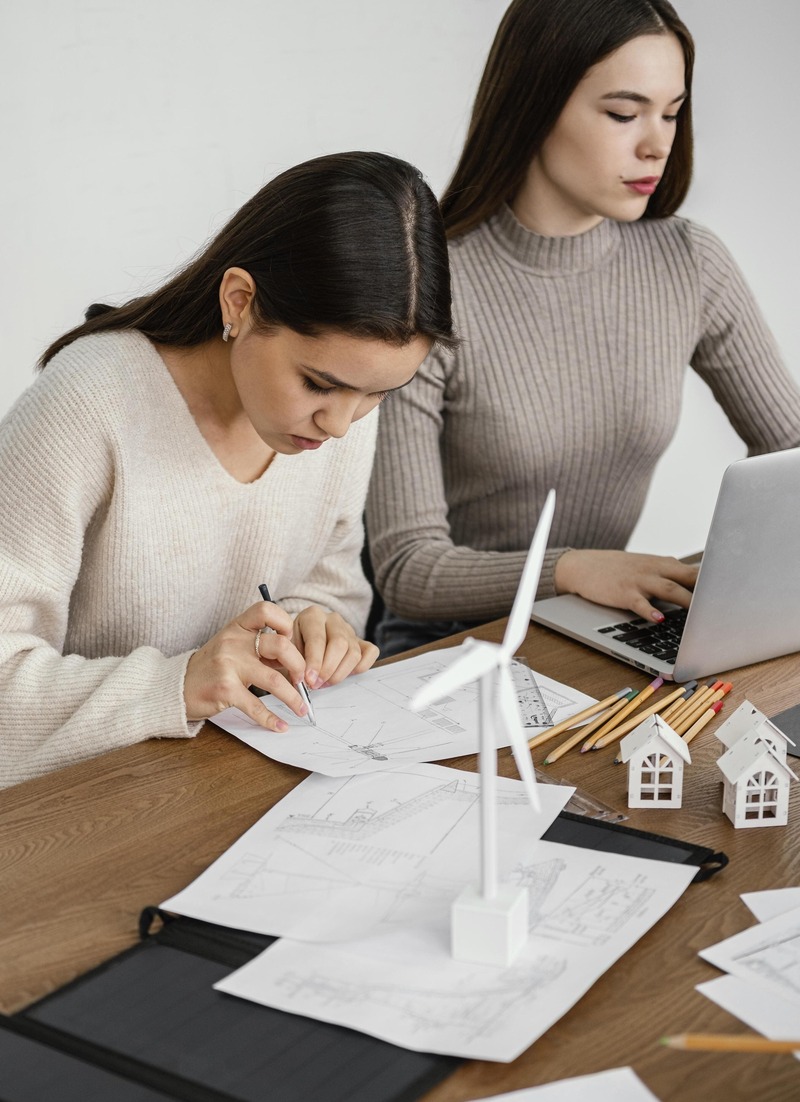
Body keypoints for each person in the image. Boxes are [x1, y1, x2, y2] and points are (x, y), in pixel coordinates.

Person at [0, 151, 454, 787]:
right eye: (318, 383)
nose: (341, 424)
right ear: (239, 302)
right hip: (75, 809)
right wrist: (177, 682)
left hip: (216, 783)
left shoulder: (339, 414)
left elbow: (328, 588)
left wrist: (316, 630)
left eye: (381, 393)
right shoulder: (88, 404)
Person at [367, 0, 800, 658]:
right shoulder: (428, 286)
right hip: (451, 648)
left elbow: (792, 456)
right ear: (534, 104)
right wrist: (569, 568)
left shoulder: (689, 262)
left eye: (672, 112)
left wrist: (740, 573)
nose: (658, 143)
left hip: (595, 633)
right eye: (623, 114)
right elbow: (409, 571)